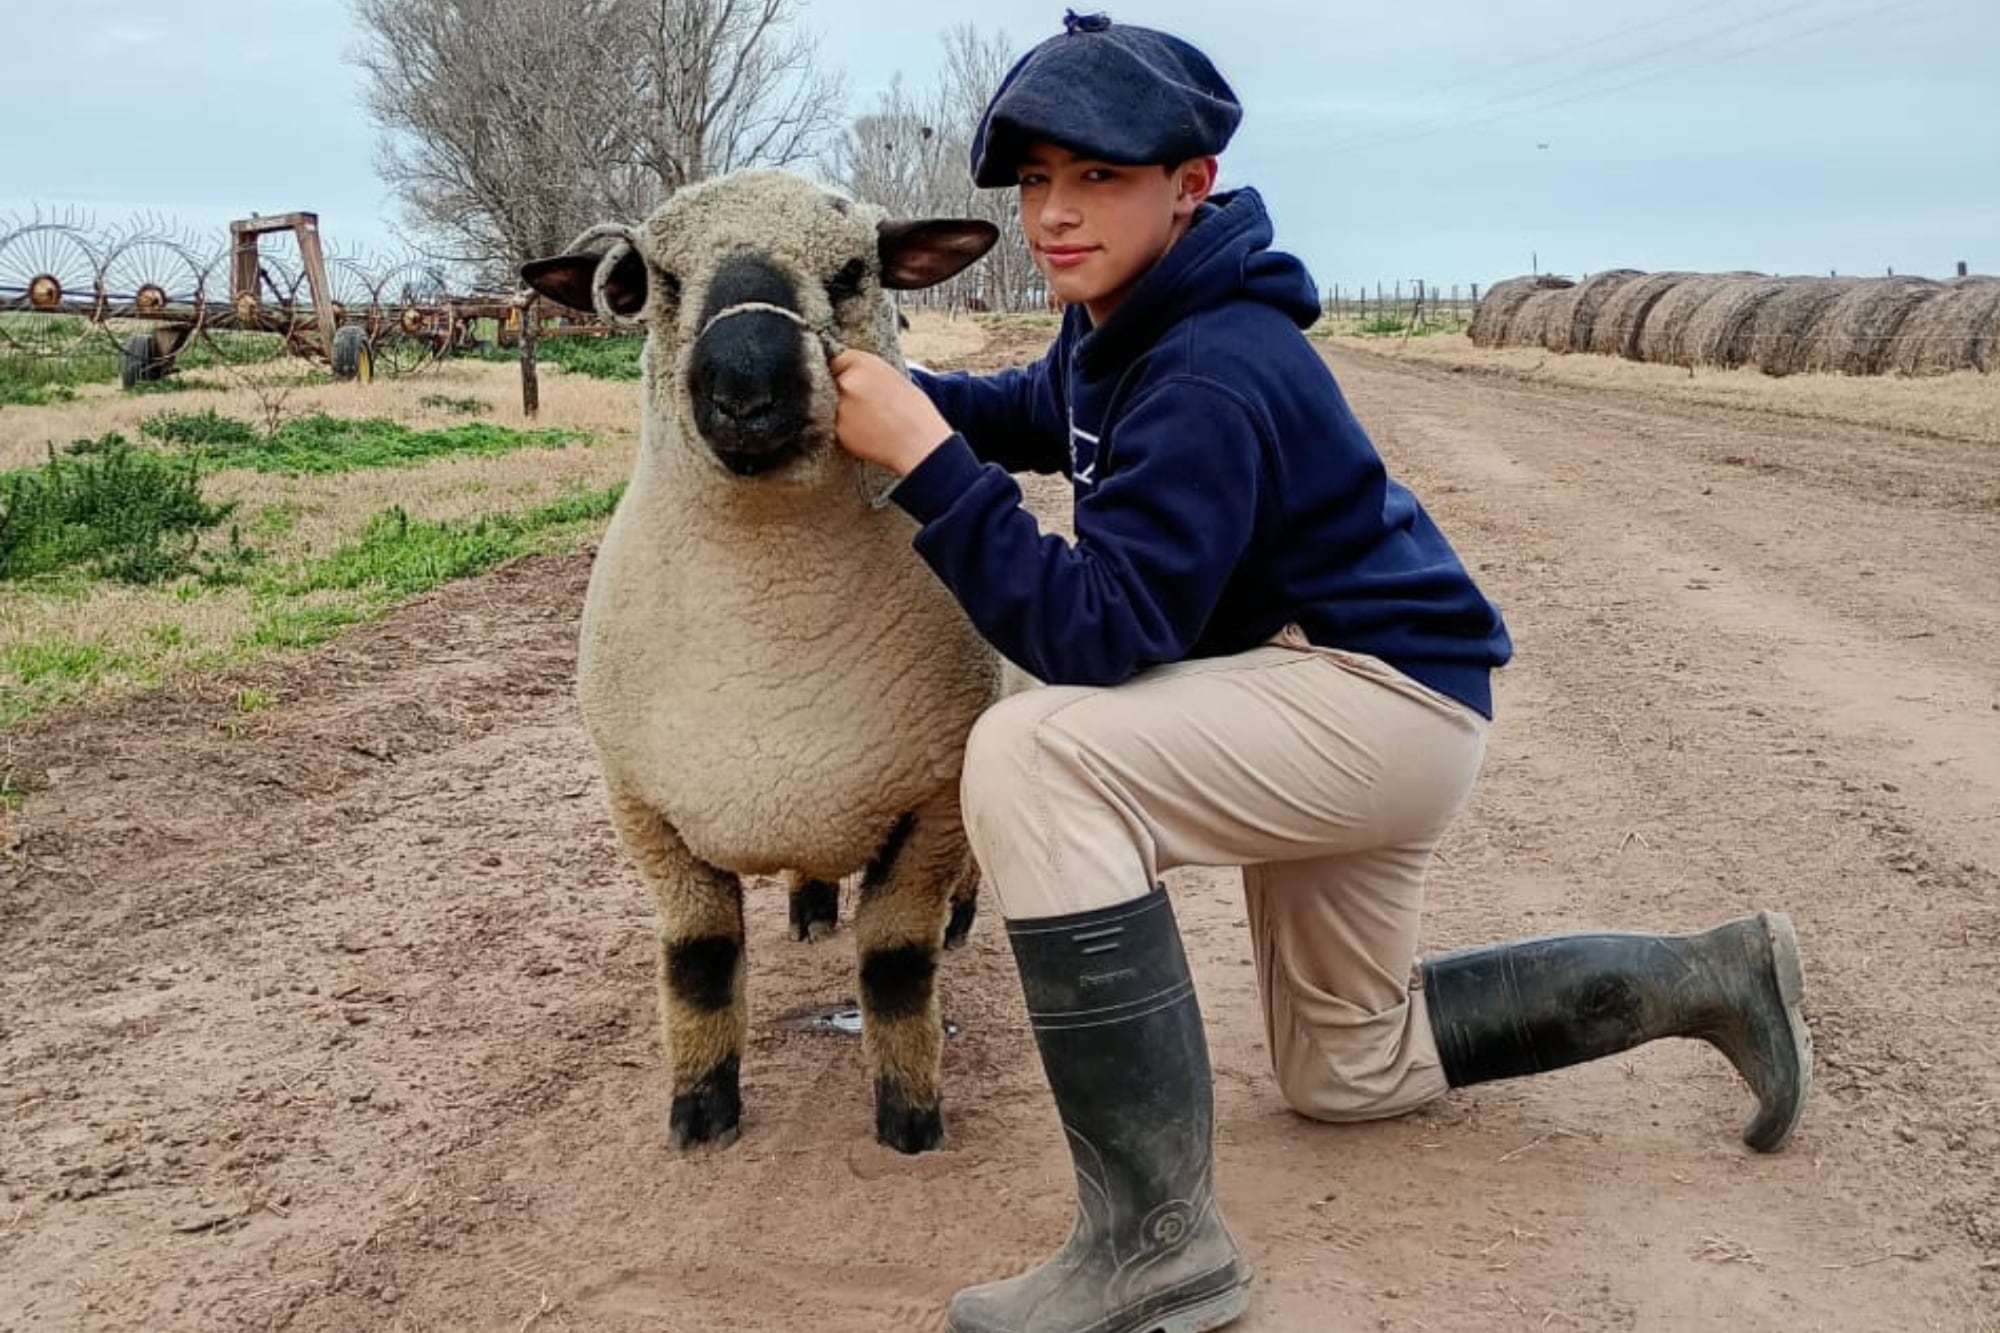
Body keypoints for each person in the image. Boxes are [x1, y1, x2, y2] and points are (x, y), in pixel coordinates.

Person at [829, 13, 1812, 1333]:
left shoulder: (1213, 366)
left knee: (1037, 750)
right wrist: (899, 395)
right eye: (1038, 181)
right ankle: (1714, 975)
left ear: (1192, 188)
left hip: (1371, 698)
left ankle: (1154, 1244)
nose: (1055, 214)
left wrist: (929, 468)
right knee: (1346, 1063)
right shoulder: (1127, 322)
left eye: (1099, 178)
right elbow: (1027, 413)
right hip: (1367, 695)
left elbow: (1102, 629)